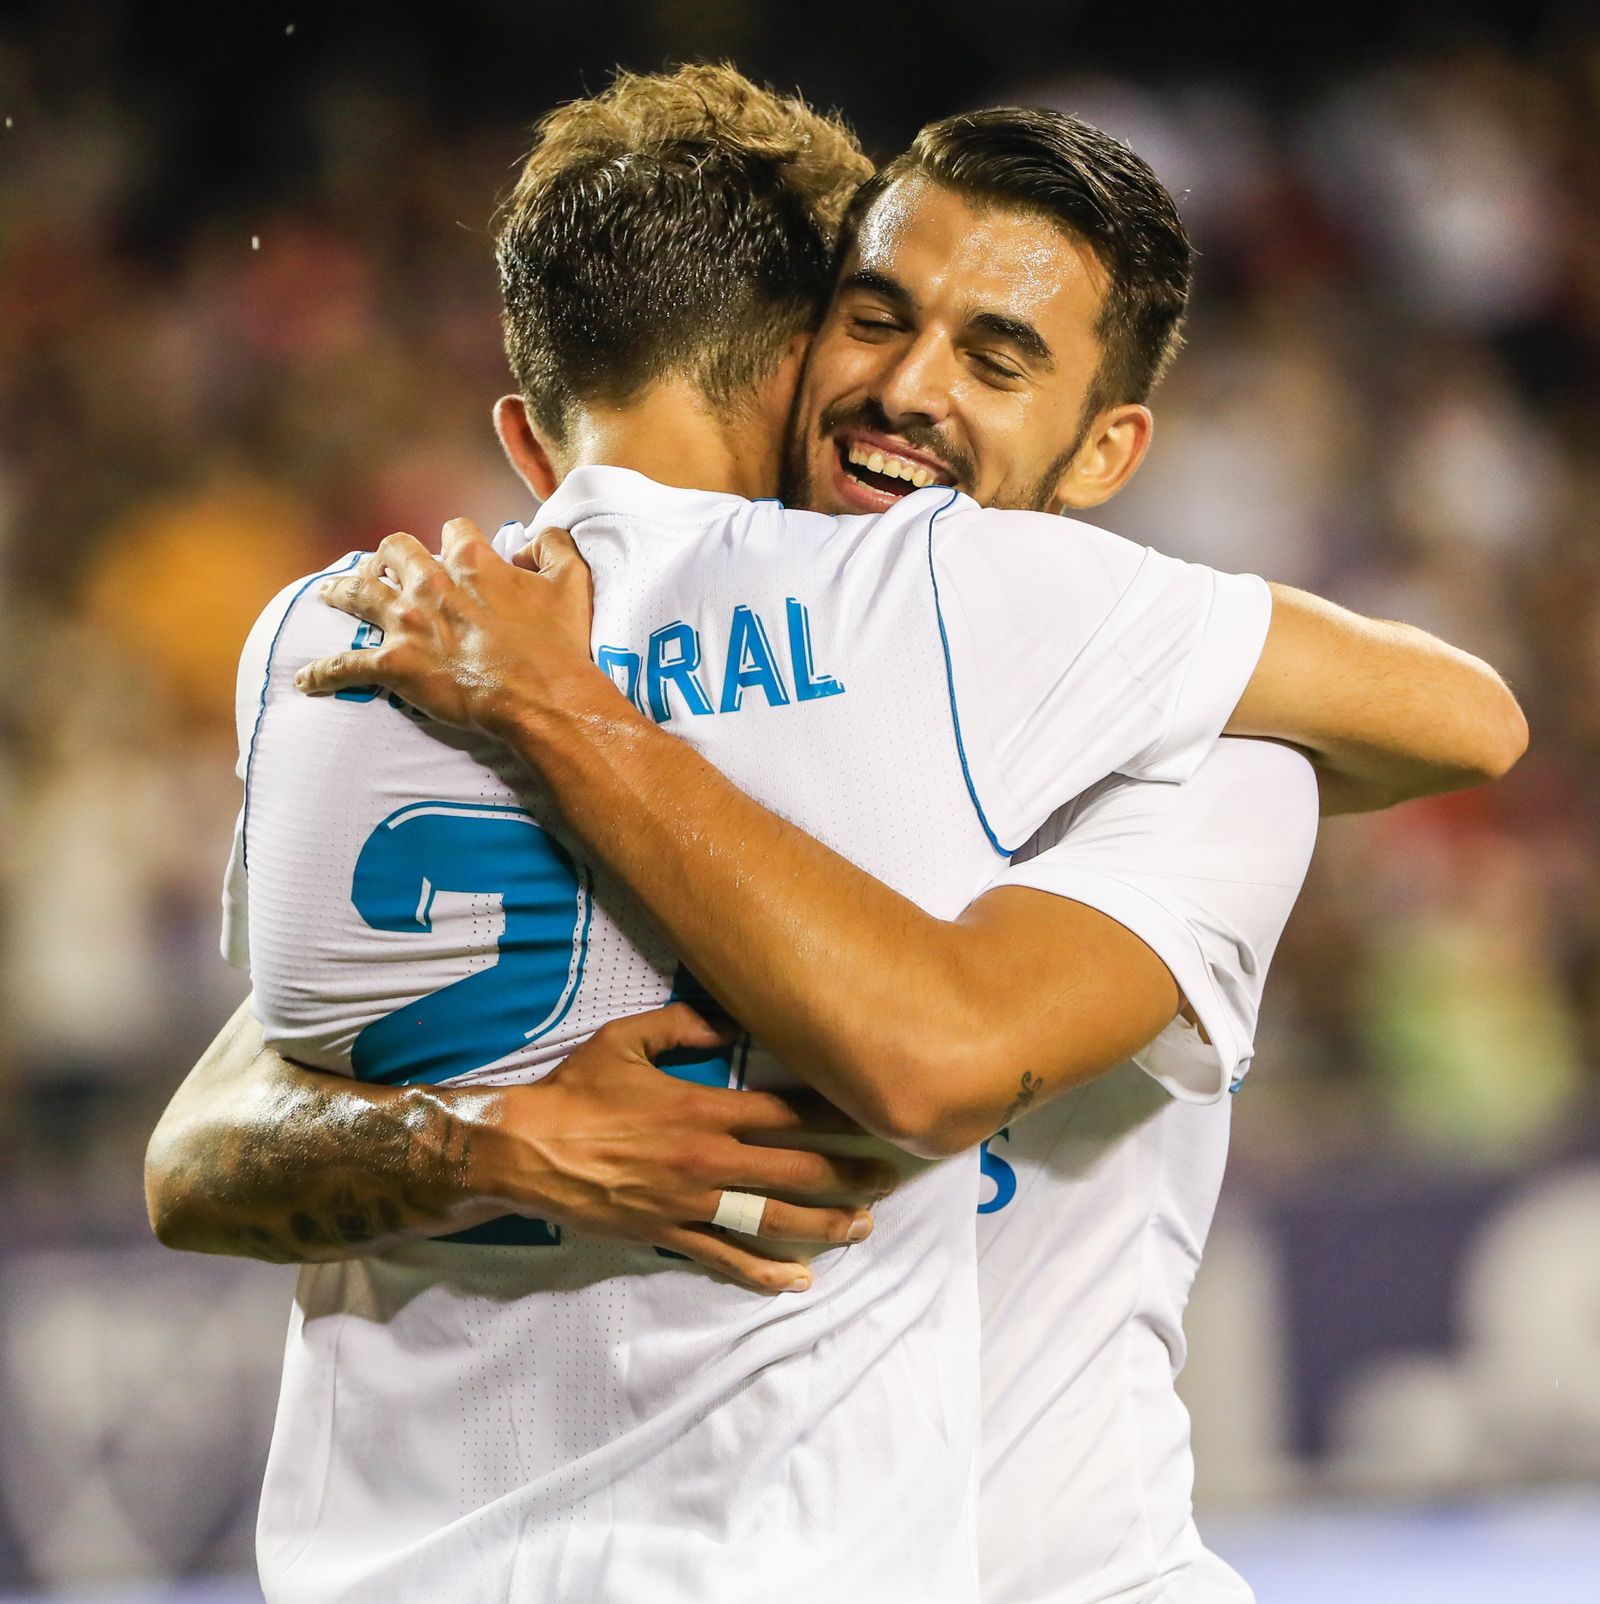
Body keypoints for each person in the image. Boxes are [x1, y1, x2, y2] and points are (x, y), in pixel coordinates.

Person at [146, 74, 1525, 1602]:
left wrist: (566, 713)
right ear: (787, 350)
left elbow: (938, 1054)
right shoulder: (620, 640)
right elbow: (204, 1148)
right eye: (873, 320)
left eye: (995, 358)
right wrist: (494, 1147)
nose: (906, 389)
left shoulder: (1208, 750)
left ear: (1107, 453)